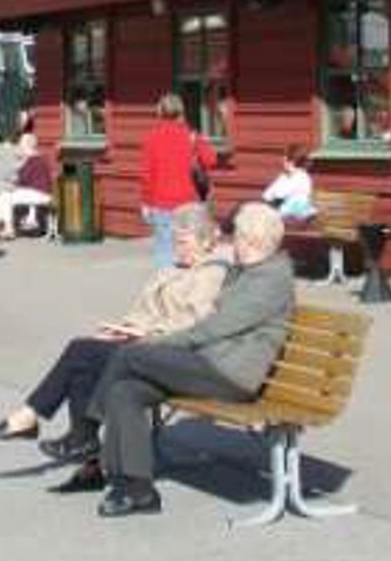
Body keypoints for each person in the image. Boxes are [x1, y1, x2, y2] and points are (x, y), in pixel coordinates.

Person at [79, 203, 295, 516]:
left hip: (229, 376)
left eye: (236, 237)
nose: (232, 242)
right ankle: (138, 489)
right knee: (125, 390)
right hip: (207, 365)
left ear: (252, 240)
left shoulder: (269, 282)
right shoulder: (246, 270)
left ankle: (86, 433)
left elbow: (212, 329)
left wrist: (158, 342)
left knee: (130, 354)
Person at [0, 205, 226, 458]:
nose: (178, 248)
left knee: (82, 351)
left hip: (175, 356)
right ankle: (77, 436)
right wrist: (123, 330)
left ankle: (43, 422)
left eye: (184, 242)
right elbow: (142, 311)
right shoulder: (172, 269)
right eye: (175, 241)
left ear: (206, 241)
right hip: (147, 345)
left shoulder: (211, 274)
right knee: (86, 356)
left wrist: (145, 333)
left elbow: (195, 326)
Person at [139, 94, 216, 268]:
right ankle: (189, 289)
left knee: (164, 250)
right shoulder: (191, 135)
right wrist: (200, 143)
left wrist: (146, 203)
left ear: (160, 112)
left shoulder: (152, 138)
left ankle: (167, 289)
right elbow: (211, 160)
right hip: (189, 202)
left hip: (162, 203)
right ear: (181, 112)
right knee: (191, 250)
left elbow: (147, 175)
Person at [260, 145, 314, 220]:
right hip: (282, 207)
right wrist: (268, 196)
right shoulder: (284, 176)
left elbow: (282, 193)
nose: (283, 160)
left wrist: (272, 196)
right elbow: (268, 193)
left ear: (293, 161)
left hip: (298, 210)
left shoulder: (301, 176)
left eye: (287, 159)